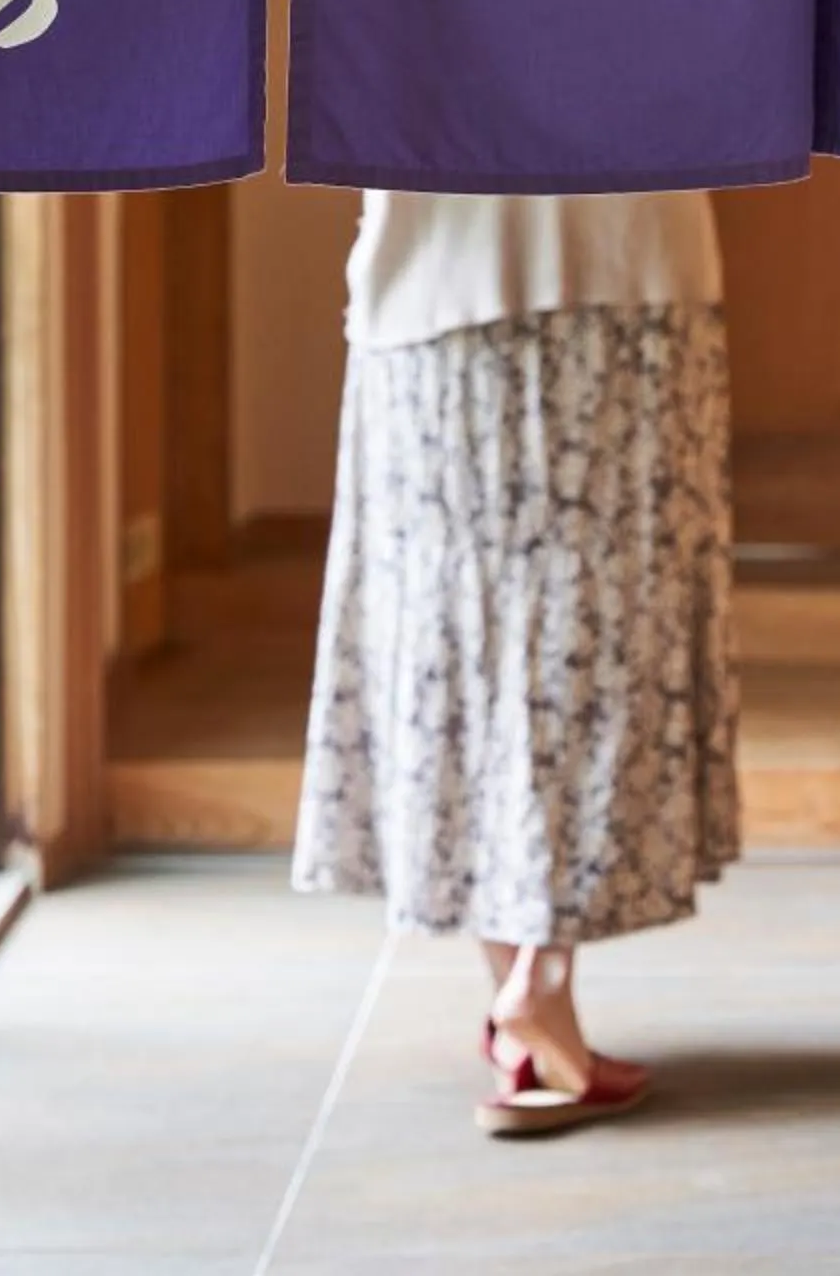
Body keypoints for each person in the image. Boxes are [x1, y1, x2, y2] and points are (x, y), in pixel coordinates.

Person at [291, 190, 740, 1136]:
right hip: (631, 265)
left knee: (466, 633)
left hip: (438, 283)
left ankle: (534, 1002)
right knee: (605, 620)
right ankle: (542, 987)